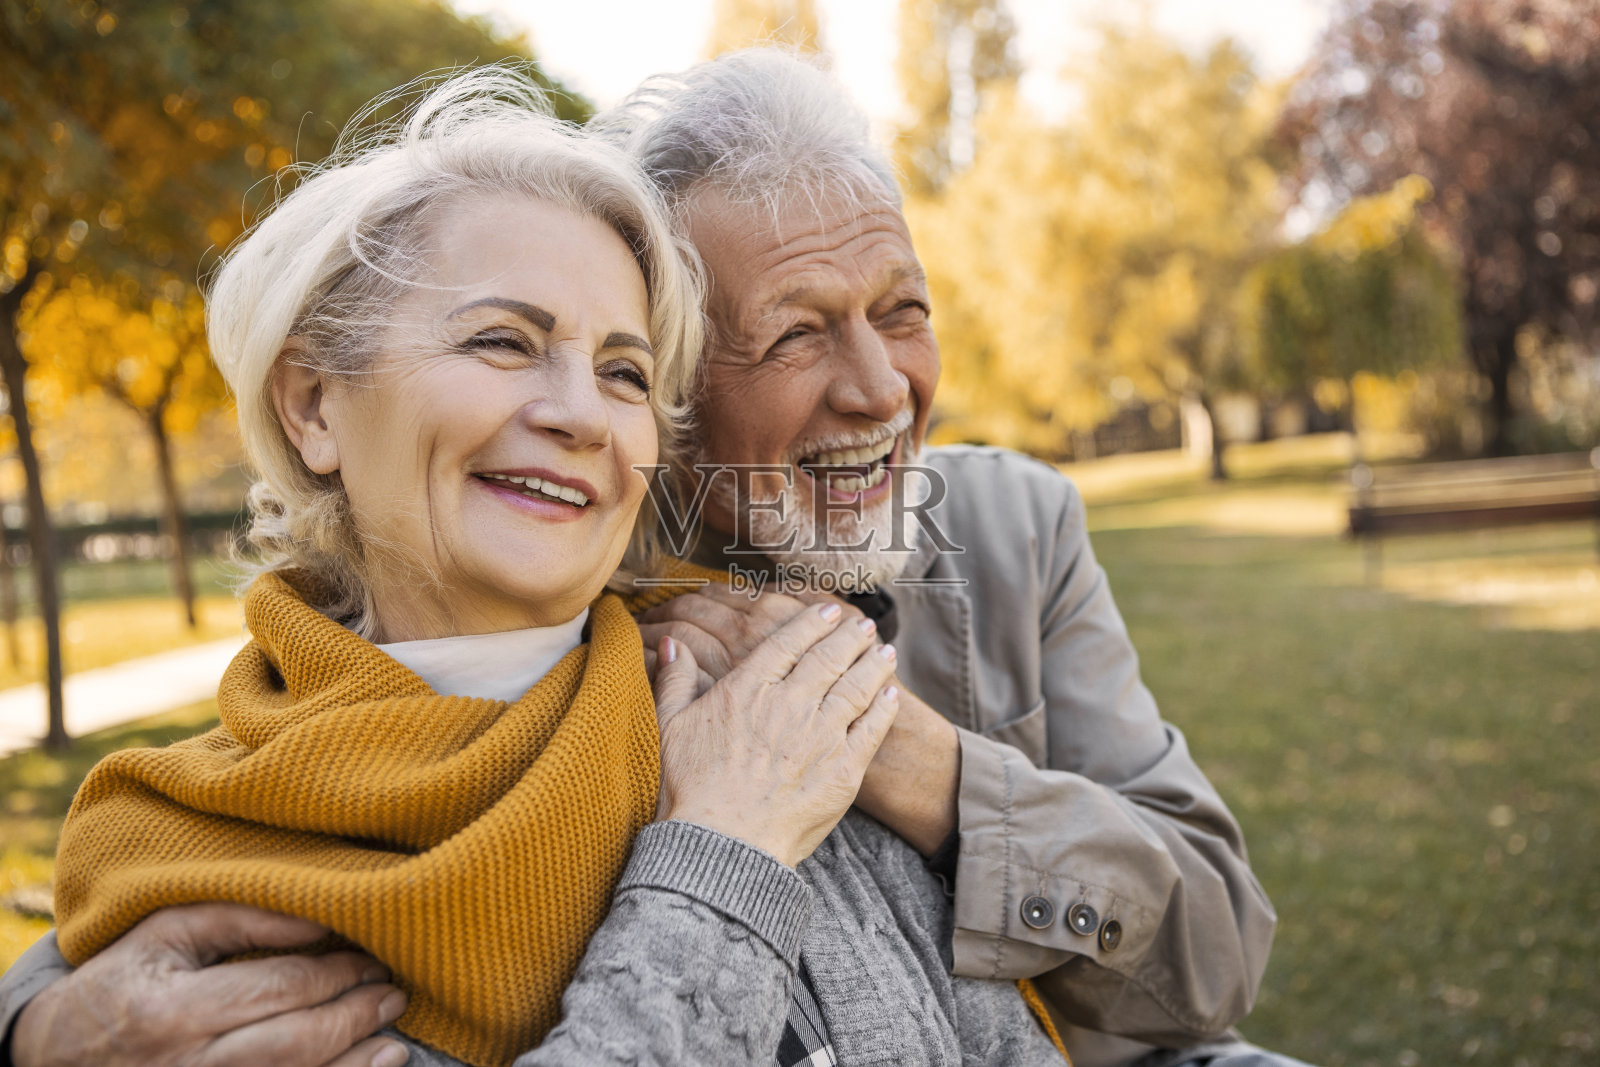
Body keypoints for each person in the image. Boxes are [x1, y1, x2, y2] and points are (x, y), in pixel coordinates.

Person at [2, 52, 1313, 1067]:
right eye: (797, 334)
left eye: (903, 313)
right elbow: (169, 909)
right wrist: (31, 1036)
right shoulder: (568, 654)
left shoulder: (1004, 534)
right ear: (679, 418)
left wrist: (920, 768)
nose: (880, 389)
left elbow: (1204, 958)